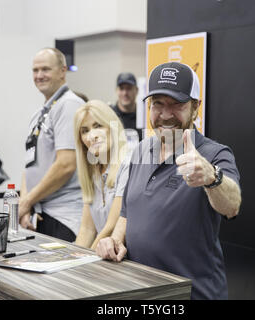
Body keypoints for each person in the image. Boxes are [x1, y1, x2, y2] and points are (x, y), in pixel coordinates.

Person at [96, 62, 242, 300]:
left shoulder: (214, 154)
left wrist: (212, 178)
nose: (165, 114)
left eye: (177, 104)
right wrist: (114, 240)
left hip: (192, 295)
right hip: (141, 292)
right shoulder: (140, 151)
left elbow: (232, 205)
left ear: (196, 107)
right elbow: (126, 213)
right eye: (158, 104)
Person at [19, 48, 85, 242]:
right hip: (42, 213)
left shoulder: (69, 105)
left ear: (62, 71)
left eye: (45, 69)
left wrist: (27, 201)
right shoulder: (39, 114)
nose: (39, 75)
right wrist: (25, 204)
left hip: (65, 217)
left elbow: (66, 164)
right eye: (35, 70)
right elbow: (29, 166)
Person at [73, 100, 129, 250]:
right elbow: (87, 229)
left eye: (98, 126)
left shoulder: (127, 164)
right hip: (102, 257)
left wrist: (85, 260)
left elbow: (111, 227)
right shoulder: (93, 172)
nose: (92, 136)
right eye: (85, 131)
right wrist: (72, 260)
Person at [111, 72, 143, 142]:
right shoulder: (109, 115)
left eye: (129, 89)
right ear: (116, 91)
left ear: (137, 90)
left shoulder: (144, 116)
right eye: (121, 89)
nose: (125, 93)